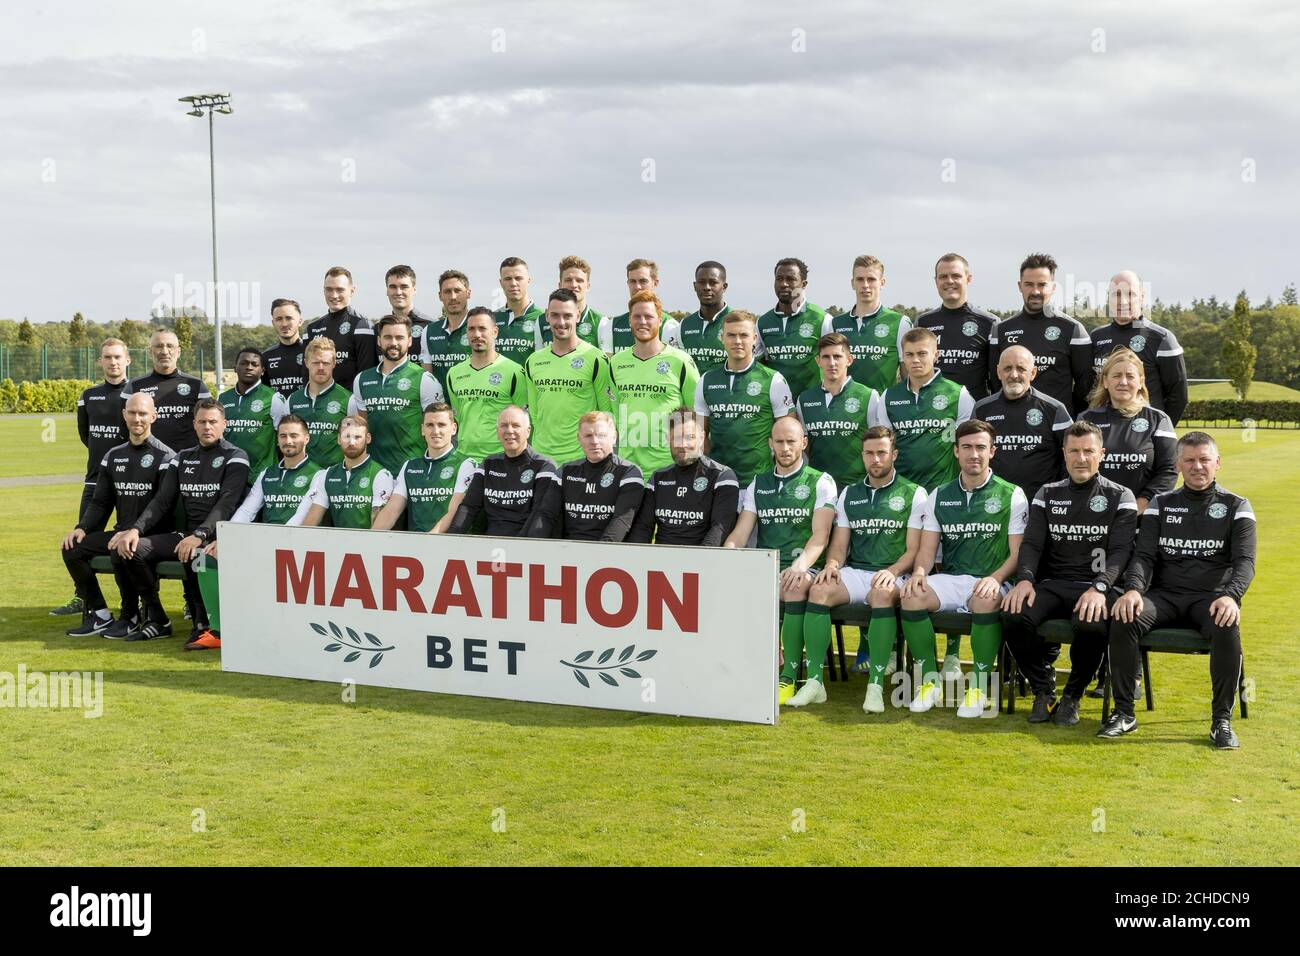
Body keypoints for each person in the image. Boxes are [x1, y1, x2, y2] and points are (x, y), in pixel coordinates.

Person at [1105, 432, 1255, 748]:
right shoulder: (1161, 504)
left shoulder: (1237, 506)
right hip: (1164, 598)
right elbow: (1143, 556)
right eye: (1189, 460)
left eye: (1204, 460)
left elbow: (1245, 563)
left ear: (1218, 463)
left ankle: (1221, 722)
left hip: (1210, 598)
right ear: (1178, 464)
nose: (1197, 466)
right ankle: (1124, 714)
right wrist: (1132, 590)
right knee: (1124, 615)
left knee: (1228, 623)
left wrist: (1231, 595)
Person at [1001, 420, 1137, 725]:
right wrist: (1024, 580)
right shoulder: (1047, 493)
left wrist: (1100, 587)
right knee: (1012, 612)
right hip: (1053, 584)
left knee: (1089, 622)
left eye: (1088, 451)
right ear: (1064, 454)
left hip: (1097, 587)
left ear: (1101, 453)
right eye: (1074, 451)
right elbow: (1032, 544)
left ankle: (1073, 695)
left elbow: (1120, 552)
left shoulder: (1121, 495)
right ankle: (1043, 690)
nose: (1081, 458)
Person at [900, 420, 1028, 718]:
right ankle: (930, 682)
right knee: (911, 595)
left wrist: (995, 579)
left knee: (985, 598)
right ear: (956, 451)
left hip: (993, 580)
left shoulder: (1012, 494)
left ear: (992, 452)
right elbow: (927, 550)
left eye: (981, 447)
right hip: (952, 579)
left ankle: (979, 686)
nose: (974, 454)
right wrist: (919, 573)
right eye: (967, 447)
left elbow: (1017, 553)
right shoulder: (939, 495)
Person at [109, 399, 249, 643]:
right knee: (133, 549)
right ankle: (157, 618)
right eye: (202, 421)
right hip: (186, 534)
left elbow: (227, 503)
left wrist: (201, 534)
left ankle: (204, 623)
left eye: (213, 422)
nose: (207, 427)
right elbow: (162, 501)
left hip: (218, 537)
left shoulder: (235, 456)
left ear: (224, 424)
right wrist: (134, 530)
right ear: (194, 424)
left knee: (196, 554)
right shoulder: (182, 457)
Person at [810, 426, 928, 713]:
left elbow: (913, 550)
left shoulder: (915, 493)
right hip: (857, 572)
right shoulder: (850, 493)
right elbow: (839, 545)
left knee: (881, 595)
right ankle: (814, 682)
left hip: (895, 574)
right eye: (869, 454)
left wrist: (892, 570)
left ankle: (875, 686)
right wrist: (832, 565)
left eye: (882, 453)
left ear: (894, 455)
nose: (876, 460)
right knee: (819, 589)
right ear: (862, 456)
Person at [725, 417, 837, 706]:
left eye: (791, 441)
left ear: (804, 442)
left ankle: (788, 676)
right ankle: (737, 667)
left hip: (804, 566)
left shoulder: (821, 481)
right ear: (770, 444)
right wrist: (727, 553)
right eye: (779, 442)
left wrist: (799, 566)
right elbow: (741, 531)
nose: (785, 448)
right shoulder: (758, 484)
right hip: (766, 565)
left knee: (793, 585)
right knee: (727, 584)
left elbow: (820, 536)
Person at [189, 414, 323, 650]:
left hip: (297, 548)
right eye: (283, 436)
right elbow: (247, 511)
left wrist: (266, 543)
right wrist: (226, 538)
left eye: (294, 435)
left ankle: (270, 627)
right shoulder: (267, 474)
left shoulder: (320, 474)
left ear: (307, 438)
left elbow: (300, 519)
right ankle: (219, 630)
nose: (288, 441)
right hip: (264, 544)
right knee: (203, 558)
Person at [60, 392, 174, 639]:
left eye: (142, 413)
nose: (137, 418)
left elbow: (162, 505)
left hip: (152, 536)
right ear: (124, 415)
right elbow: (100, 501)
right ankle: (100, 614)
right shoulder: (113, 455)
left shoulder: (166, 457)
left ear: (153, 416)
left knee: (122, 546)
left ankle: (130, 616)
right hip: (121, 531)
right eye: (132, 413)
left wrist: (134, 531)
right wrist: (83, 527)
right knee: (72, 548)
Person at [52, 338, 131, 617]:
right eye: (107, 357)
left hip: (130, 482)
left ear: (128, 360)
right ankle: (83, 597)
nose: (113, 362)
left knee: (136, 539)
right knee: (79, 541)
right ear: (100, 361)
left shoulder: (135, 394)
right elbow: (86, 435)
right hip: (95, 481)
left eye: (118, 357)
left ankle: (142, 602)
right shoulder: (89, 395)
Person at [694, 310, 795, 487]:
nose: (737, 341)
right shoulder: (706, 380)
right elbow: (700, 436)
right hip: (718, 481)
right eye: (731, 335)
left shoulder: (773, 379)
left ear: (754, 338)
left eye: (743, 335)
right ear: (722, 338)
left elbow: (789, 433)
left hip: (759, 481)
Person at [868, 326, 974, 492]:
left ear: (936, 355)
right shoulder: (889, 396)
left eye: (922, 354)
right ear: (903, 357)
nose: (915, 360)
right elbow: (883, 448)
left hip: (944, 490)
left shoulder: (958, 394)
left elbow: (968, 446)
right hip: (900, 491)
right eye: (909, 355)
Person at [609, 290, 700, 479]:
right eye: (637, 316)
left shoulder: (681, 361)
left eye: (648, 316)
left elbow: (695, 416)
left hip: (670, 467)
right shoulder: (616, 362)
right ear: (629, 321)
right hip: (629, 468)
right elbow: (616, 412)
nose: (642, 321)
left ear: (660, 320)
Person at [988, 253, 1092, 414]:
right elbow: (995, 382)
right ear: (1019, 286)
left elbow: (1084, 386)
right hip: (1011, 421)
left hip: (1057, 427)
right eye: (1029, 284)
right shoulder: (1001, 330)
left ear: (1053, 287)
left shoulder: (1073, 330)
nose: (1035, 291)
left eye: (1042, 285)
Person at [523, 289, 615, 467]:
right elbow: (534, 415)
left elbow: (606, 414)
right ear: (547, 316)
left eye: (567, 315)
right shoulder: (533, 361)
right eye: (555, 315)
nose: (561, 322)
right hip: (543, 459)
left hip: (582, 460)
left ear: (578, 316)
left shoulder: (596, 358)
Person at [1079, 348, 1177, 513]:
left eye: (1130, 376)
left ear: (1140, 382)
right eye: (1116, 376)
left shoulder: (1159, 420)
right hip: (1095, 514)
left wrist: (1139, 505)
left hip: (1142, 517)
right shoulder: (1086, 419)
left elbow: (1168, 471)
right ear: (1105, 381)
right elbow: (1073, 466)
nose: (1123, 382)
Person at [972, 345, 1072, 504]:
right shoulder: (981, 409)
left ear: (1033, 373)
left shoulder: (1055, 409)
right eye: (1007, 368)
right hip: (994, 503)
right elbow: (973, 455)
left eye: (1021, 369)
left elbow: (1070, 457)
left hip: (1041, 504)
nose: (1014, 375)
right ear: (998, 372)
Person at [348, 314, 444, 476]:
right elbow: (363, 430)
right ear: (379, 341)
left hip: (412, 470)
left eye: (399, 337)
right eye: (388, 337)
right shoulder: (362, 380)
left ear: (410, 341)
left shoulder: (424, 379)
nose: (393, 343)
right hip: (374, 472)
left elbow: (437, 430)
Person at [629, 408, 739, 546]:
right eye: (677, 438)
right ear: (668, 439)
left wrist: (693, 562)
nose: (682, 445)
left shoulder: (722, 475)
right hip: (660, 560)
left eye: (689, 437)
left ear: (701, 437)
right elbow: (643, 527)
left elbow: (720, 528)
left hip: (701, 561)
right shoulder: (658, 478)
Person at [1090, 271, 1188, 426]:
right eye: (1116, 294)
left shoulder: (1161, 339)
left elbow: (1178, 397)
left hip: (1144, 436)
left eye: (1130, 294)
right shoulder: (1096, 338)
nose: (1123, 301)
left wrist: (1159, 430)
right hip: (1103, 433)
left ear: (1142, 297)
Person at [447, 406, 561, 537]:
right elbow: (469, 507)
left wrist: (516, 546)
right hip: (490, 544)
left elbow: (539, 514)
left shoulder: (544, 465)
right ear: (497, 431)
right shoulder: (489, 463)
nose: (509, 430)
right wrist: (452, 538)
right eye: (504, 425)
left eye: (516, 425)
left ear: (528, 431)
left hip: (525, 544)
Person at [372, 403, 477, 534]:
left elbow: (454, 511)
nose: (435, 431)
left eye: (442, 425)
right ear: (422, 429)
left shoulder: (466, 464)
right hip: (417, 547)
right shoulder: (409, 466)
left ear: (454, 428)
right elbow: (392, 510)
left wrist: (429, 540)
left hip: (450, 546)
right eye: (429, 425)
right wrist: (372, 537)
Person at [444, 307, 529, 462]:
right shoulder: (454, 373)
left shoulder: (514, 372)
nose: (477, 335)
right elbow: (459, 416)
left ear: (495, 332)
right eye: (471, 329)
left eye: (482, 329)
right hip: (464, 459)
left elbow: (524, 420)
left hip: (502, 458)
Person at [796, 332, 877, 492]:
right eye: (826, 357)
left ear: (849, 360)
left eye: (837, 356)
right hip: (818, 489)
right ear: (818, 361)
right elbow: (804, 448)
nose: (831, 363)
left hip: (858, 487)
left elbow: (878, 444)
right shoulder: (804, 399)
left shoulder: (869, 396)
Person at [916, 253, 1000, 401]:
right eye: (943, 277)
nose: (949, 281)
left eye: (956, 276)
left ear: (968, 279)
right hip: (933, 411)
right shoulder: (923, 323)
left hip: (975, 414)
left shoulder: (990, 322)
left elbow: (997, 376)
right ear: (936, 281)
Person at [823, 254, 912, 394]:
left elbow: (908, 373)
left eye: (871, 279)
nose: (865, 285)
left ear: (882, 282)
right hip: (845, 410)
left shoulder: (900, 322)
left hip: (882, 409)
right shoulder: (835, 324)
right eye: (860, 279)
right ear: (853, 283)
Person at [120, 328, 212, 457]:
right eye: (159, 346)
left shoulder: (196, 385)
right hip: (147, 462)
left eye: (170, 346)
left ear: (178, 351)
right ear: (150, 352)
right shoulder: (135, 386)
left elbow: (209, 425)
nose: (164, 351)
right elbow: (123, 426)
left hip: (187, 462)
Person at [557, 411, 644, 541]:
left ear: (614, 437)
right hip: (568, 549)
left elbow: (621, 521)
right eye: (588, 435)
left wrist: (599, 555)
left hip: (607, 553)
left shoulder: (629, 471)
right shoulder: (565, 470)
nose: (595, 441)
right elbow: (548, 514)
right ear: (578, 438)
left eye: (601, 435)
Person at [301, 414, 395, 530]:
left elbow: (379, 527)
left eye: (357, 437)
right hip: (337, 545)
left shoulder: (380, 474)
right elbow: (312, 521)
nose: (352, 442)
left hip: (368, 544)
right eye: (347, 436)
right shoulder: (328, 475)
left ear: (368, 438)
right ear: (339, 439)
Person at [756, 257, 826, 397]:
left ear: (803, 284)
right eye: (779, 279)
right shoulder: (762, 323)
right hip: (776, 406)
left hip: (813, 404)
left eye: (791, 279)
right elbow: (758, 369)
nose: (784, 284)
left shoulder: (822, 319)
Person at [218, 347, 290, 484]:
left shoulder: (274, 398)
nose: (249, 367)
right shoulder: (223, 399)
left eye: (254, 364)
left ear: (262, 371)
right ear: (235, 368)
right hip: (229, 473)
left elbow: (284, 438)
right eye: (244, 363)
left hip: (262, 476)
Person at [305, 266, 376, 390]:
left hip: (349, 403)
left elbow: (367, 374)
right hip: (319, 403)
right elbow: (306, 373)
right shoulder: (312, 328)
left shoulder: (363, 326)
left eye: (340, 290)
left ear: (352, 291)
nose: (334, 295)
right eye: (329, 289)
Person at [287, 337, 353, 468]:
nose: (321, 367)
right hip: (301, 476)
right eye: (316, 363)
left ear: (334, 363)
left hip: (334, 476)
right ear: (306, 363)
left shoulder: (349, 400)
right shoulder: (292, 400)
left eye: (326, 363)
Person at [666, 261, 731, 375]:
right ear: (695, 286)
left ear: (724, 287)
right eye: (701, 282)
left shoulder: (736, 321)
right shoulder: (684, 325)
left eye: (713, 283)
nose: (707, 287)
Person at [599, 259, 672, 355]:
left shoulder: (669, 326)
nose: (637, 287)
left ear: (655, 283)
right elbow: (608, 366)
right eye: (633, 281)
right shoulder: (612, 325)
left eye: (643, 281)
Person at [419, 269, 474, 394]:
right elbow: (428, 377)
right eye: (447, 292)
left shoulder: (479, 327)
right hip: (441, 408)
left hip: (473, 406)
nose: (453, 297)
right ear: (440, 296)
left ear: (468, 293)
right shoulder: (429, 331)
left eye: (458, 291)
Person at [493, 257, 545, 366]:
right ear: (501, 282)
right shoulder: (492, 319)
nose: (513, 283)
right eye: (508, 279)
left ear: (528, 280)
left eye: (518, 278)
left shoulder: (542, 317)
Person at [543, 255, 603, 350]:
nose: (574, 285)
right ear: (560, 285)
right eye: (568, 280)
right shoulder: (541, 321)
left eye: (579, 280)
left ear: (588, 286)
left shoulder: (601, 322)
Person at [384, 264, 438, 358]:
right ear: (387, 291)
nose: (398, 292)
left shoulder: (431, 327)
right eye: (393, 287)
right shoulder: (379, 329)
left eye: (404, 287)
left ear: (414, 290)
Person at [261, 298, 307, 398]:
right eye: (279, 319)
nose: (284, 324)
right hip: (277, 413)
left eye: (289, 318)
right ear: (273, 323)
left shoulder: (311, 352)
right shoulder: (266, 356)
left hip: (305, 412)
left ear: (300, 321)